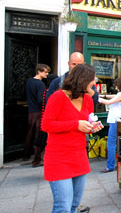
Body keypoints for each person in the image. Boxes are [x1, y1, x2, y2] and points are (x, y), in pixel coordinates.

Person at [41, 64, 103, 213]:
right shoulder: (57, 97)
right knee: (63, 207)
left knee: (74, 205)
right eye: (92, 79)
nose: (94, 83)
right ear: (82, 80)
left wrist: (91, 127)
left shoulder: (88, 100)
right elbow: (46, 125)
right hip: (59, 157)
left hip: (79, 156)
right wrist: (75, 124)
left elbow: (86, 123)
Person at [98, 77, 121, 173]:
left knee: (111, 143)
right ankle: (120, 163)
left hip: (116, 121)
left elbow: (109, 102)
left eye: (116, 84)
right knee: (120, 143)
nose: (115, 86)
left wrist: (98, 98)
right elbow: (112, 97)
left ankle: (110, 166)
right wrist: (104, 95)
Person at [24, 63, 51, 167]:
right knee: (38, 136)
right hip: (39, 112)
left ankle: (26, 154)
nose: (47, 74)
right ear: (39, 71)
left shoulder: (29, 81)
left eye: (47, 72)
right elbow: (41, 100)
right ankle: (37, 159)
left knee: (30, 133)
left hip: (31, 111)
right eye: (45, 72)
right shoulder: (40, 84)